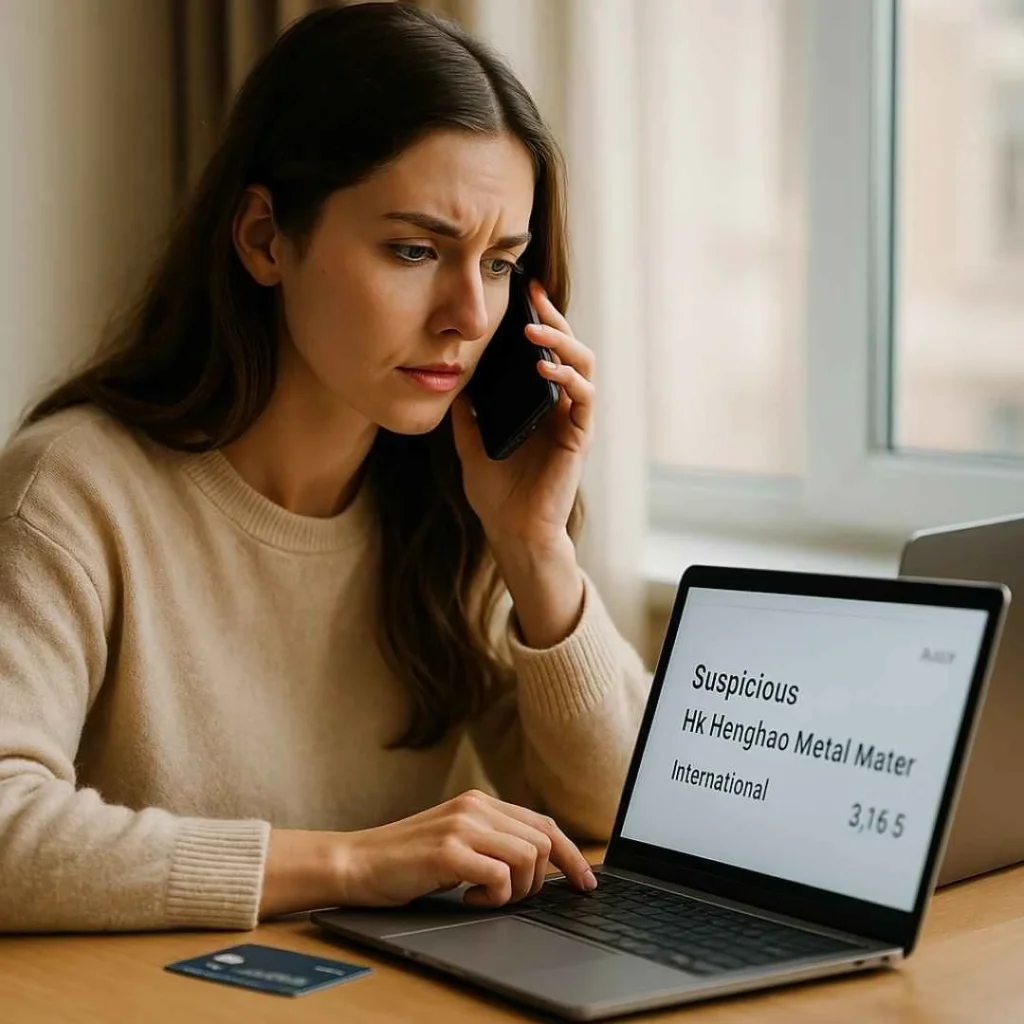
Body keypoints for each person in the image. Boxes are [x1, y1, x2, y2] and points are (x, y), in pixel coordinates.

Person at [0, 1, 649, 934]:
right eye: (415, 250)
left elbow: (623, 816)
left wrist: (535, 547)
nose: (470, 316)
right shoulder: (70, 494)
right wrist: (351, 862)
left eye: (500, 263)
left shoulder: (451, 506)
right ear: (266, 238)